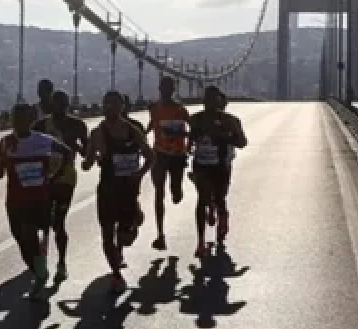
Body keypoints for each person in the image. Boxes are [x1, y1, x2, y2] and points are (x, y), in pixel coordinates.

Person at [0, 102, 74, 299]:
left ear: (31, 120)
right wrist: (2, 158)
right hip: (14, 200)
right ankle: (38, 269)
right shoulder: (5, 142)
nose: (18, 123)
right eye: (15, 118)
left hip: (38, 199)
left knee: (29, 233)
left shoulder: (43, 140)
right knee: (21, 241)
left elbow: (67, 153)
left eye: (22, 119)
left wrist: (55, 176)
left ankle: (39, 272)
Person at [83, 91, 155, 294]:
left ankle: (125, 239)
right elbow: (87, 162)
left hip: (128, 192)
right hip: (107, 190)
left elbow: (150, 157)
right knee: (107, 234)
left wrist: (139, 174)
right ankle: (116, 274)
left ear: (122, 106)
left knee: (125, 236)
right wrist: (88, 161)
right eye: (107, 104)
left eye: (115, 104)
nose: (110, 108)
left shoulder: (133, 131)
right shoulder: (97, 133)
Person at [33, 89, 88, 283]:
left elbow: (87, 150)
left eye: (63, 105)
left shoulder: (77, 125)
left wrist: (80, 151)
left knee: (58, 223)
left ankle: (61, 263)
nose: (60, 109)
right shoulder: (40, 125)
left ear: (67, 106)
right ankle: (42, 262)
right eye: (56, 105)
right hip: (44, 179)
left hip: (66, 179)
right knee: (43, 223)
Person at [189, 86, 247, 258]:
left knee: (220, 197)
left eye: (213, 100)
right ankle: (200, 242)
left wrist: (224, 137)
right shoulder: (195, 119)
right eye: (207, 100)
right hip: (201, 164)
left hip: (221, 165)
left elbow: (242, 142)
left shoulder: (230, 120)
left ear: (220, 102)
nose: (209, 104)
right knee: (202, 200)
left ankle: (222, 215)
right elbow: (189, 139)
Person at [147, 76, 191, 251]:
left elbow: (191, 128)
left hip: (177, 156)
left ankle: (177, 190)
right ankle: (160, 235)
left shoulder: (181, 109)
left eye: (169, 88)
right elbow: (152, 124)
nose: (166, 91)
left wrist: (186, 140)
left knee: (176, 195)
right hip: (159, 155)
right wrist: (140, 135)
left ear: (173, 90)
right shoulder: (154, 108)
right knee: (159, 193)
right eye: (163, 87)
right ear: (160, 89)